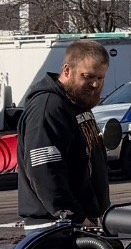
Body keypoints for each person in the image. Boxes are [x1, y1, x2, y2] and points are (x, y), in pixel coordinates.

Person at [17, 38, 112, 233]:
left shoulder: (77, 104)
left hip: (84, 223)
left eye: (100, 78)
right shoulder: (48, 108)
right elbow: (44, 170)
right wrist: (74, 216)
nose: (95, 84)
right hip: (56, 227)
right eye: (87, 76)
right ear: (67, 70)